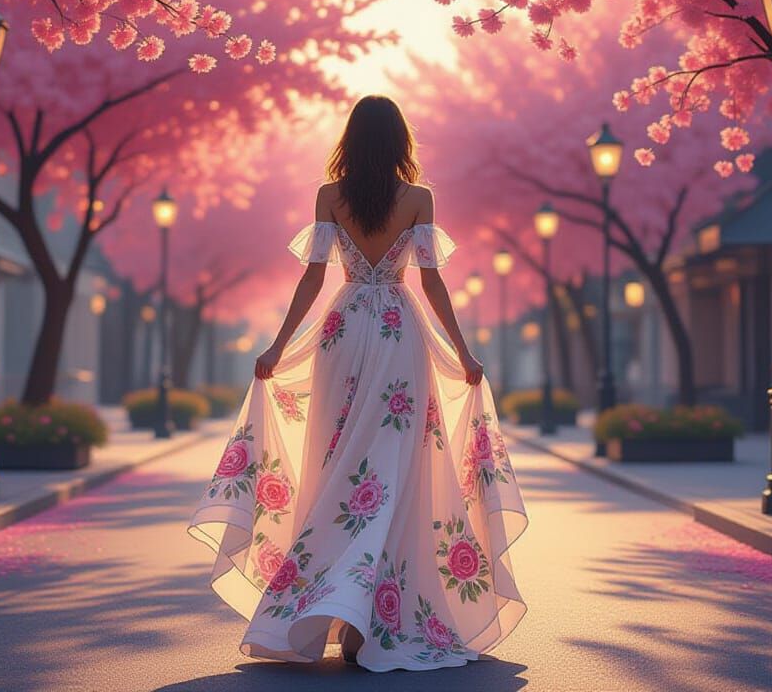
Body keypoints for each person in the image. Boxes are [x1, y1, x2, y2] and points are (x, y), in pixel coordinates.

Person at [188, 95, 527, 672]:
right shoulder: (419, 199)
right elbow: (434, 286)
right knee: (395, 473)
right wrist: (464, 352)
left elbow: (312, 280)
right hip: (399, 333)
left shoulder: (330, 195)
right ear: (400, 142)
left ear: (352, 138)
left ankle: (338, 610)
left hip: (342, 333)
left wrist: (276, 344)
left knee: (337, 468)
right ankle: (374, 618)